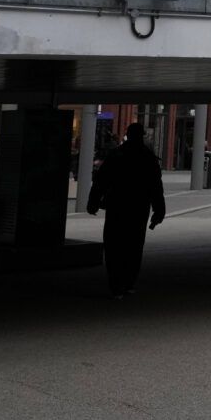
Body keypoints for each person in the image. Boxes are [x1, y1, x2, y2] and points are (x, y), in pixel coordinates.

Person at [87, 121, 166, 298]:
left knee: (114, 245)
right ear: (142, 136)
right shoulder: (148, 158)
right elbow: (156, 187)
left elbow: (101, 181)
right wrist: (159, 211)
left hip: (117, 206)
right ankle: (128, 282)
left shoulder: (116, 155)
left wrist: (93, 202)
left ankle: (116, 284)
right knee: (134, 246)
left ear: (128, 135)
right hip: (139, 208)